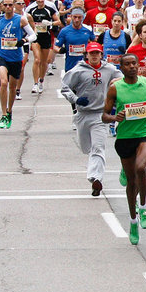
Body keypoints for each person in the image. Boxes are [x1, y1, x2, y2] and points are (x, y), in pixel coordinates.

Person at [103, 53, 146, 245]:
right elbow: (104, 115)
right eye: (128, 64)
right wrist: (116, 117)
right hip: (125, 136)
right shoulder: (115, 89)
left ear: (138, 66)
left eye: (134, 64)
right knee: (131, 182)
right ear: (121, 68)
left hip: (145, 133)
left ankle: (143, 207)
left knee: (141, 168)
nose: (132, 67)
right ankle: (133, 220)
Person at [60, 42, 121, 196]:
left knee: (98, 147)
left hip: (100, 115)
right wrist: (75, 99)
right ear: (86, 55)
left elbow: (123, 81)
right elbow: (65, 87)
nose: (94, 56)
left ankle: (96, 178)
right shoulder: (78, 70)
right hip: (83, 114)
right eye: (91, 53)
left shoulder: (109, 69)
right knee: (86, 148)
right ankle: (94, 172)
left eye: (97, 53)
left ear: (101, 54)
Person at [0, 0, 37, 128]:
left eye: (10, 5)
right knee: (3, 82)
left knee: (12, 86)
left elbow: (33, 35)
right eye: (5, 5)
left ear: (14, 5)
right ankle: (3, 114)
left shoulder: (21, 20)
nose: (8, 7)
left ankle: (9, 111)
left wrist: (25, 40)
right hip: (1, 54)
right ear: (2, 5)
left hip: (15, 56)